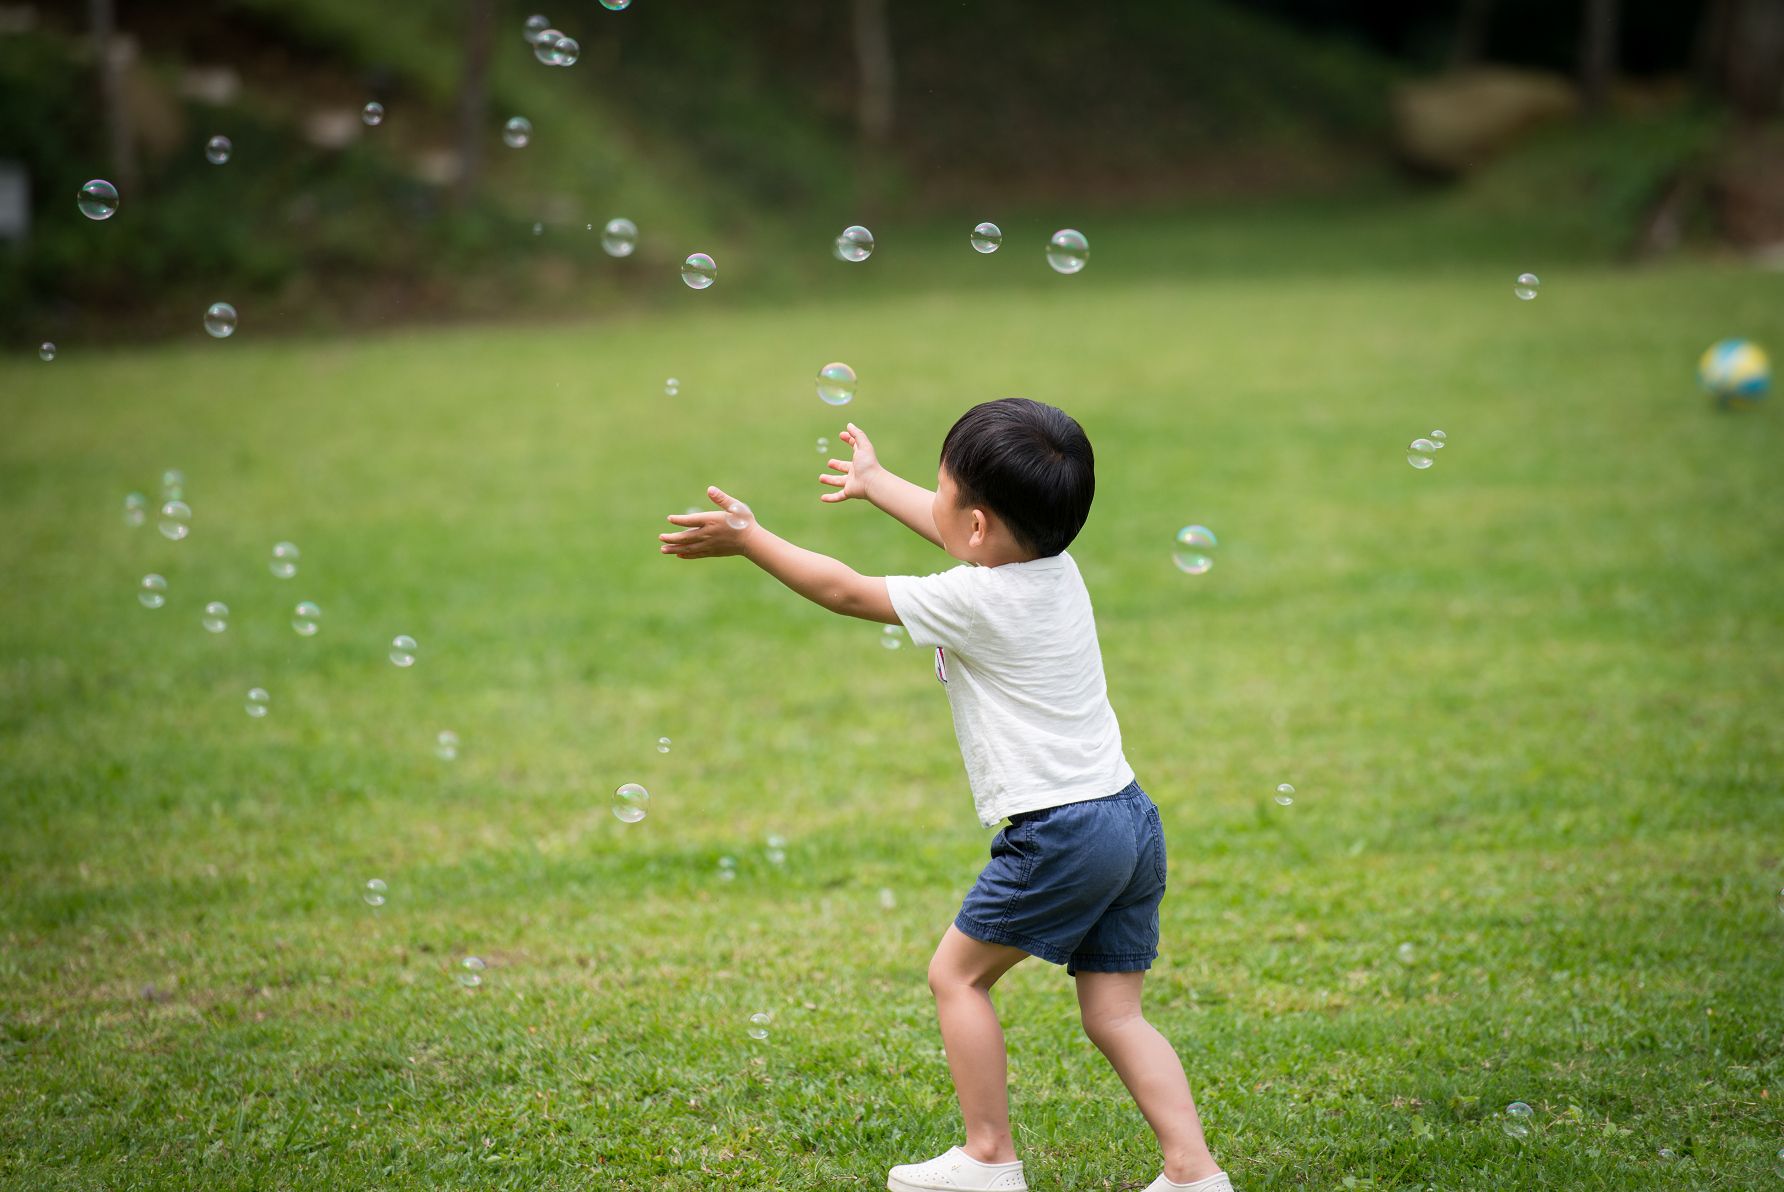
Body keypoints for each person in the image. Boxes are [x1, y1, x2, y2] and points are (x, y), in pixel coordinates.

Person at [658, 398, 1232, 1192]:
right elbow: (959, 533)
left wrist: (750, 539)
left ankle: (988, 1157)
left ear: (977, 527)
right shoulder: (1051, 569)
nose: (934, 507)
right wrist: (876, 481)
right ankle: (1195, 1173)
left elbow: (847, 592)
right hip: (1128, 818)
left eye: (941, 492)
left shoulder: (977, 600)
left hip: (1060, 831)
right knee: (1116, 1015)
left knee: (956, 978)